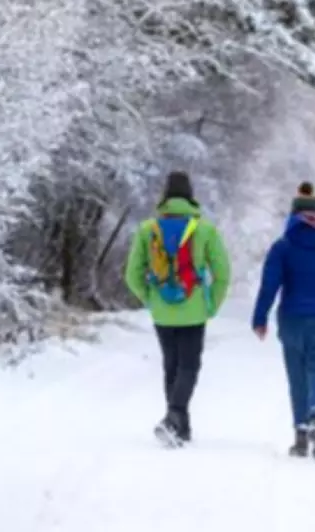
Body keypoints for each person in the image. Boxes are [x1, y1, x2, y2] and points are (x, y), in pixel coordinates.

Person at [251, 182, 315, 461]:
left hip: (292, 321)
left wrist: (260, 318)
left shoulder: (283, 246)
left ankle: (300, 437)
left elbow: (269, 285)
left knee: (297, 377)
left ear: (292, 215)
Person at [124, 170, 231, 446]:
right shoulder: (204, 229)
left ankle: (180, 426)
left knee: (171, 365)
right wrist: (211, 304)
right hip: (193, 309)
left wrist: (149, 299)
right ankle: (173, 417)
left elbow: (132, 274)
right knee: (190, 366)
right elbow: (222, 273)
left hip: (161, 310)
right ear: (190, 195)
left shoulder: (149, 230)